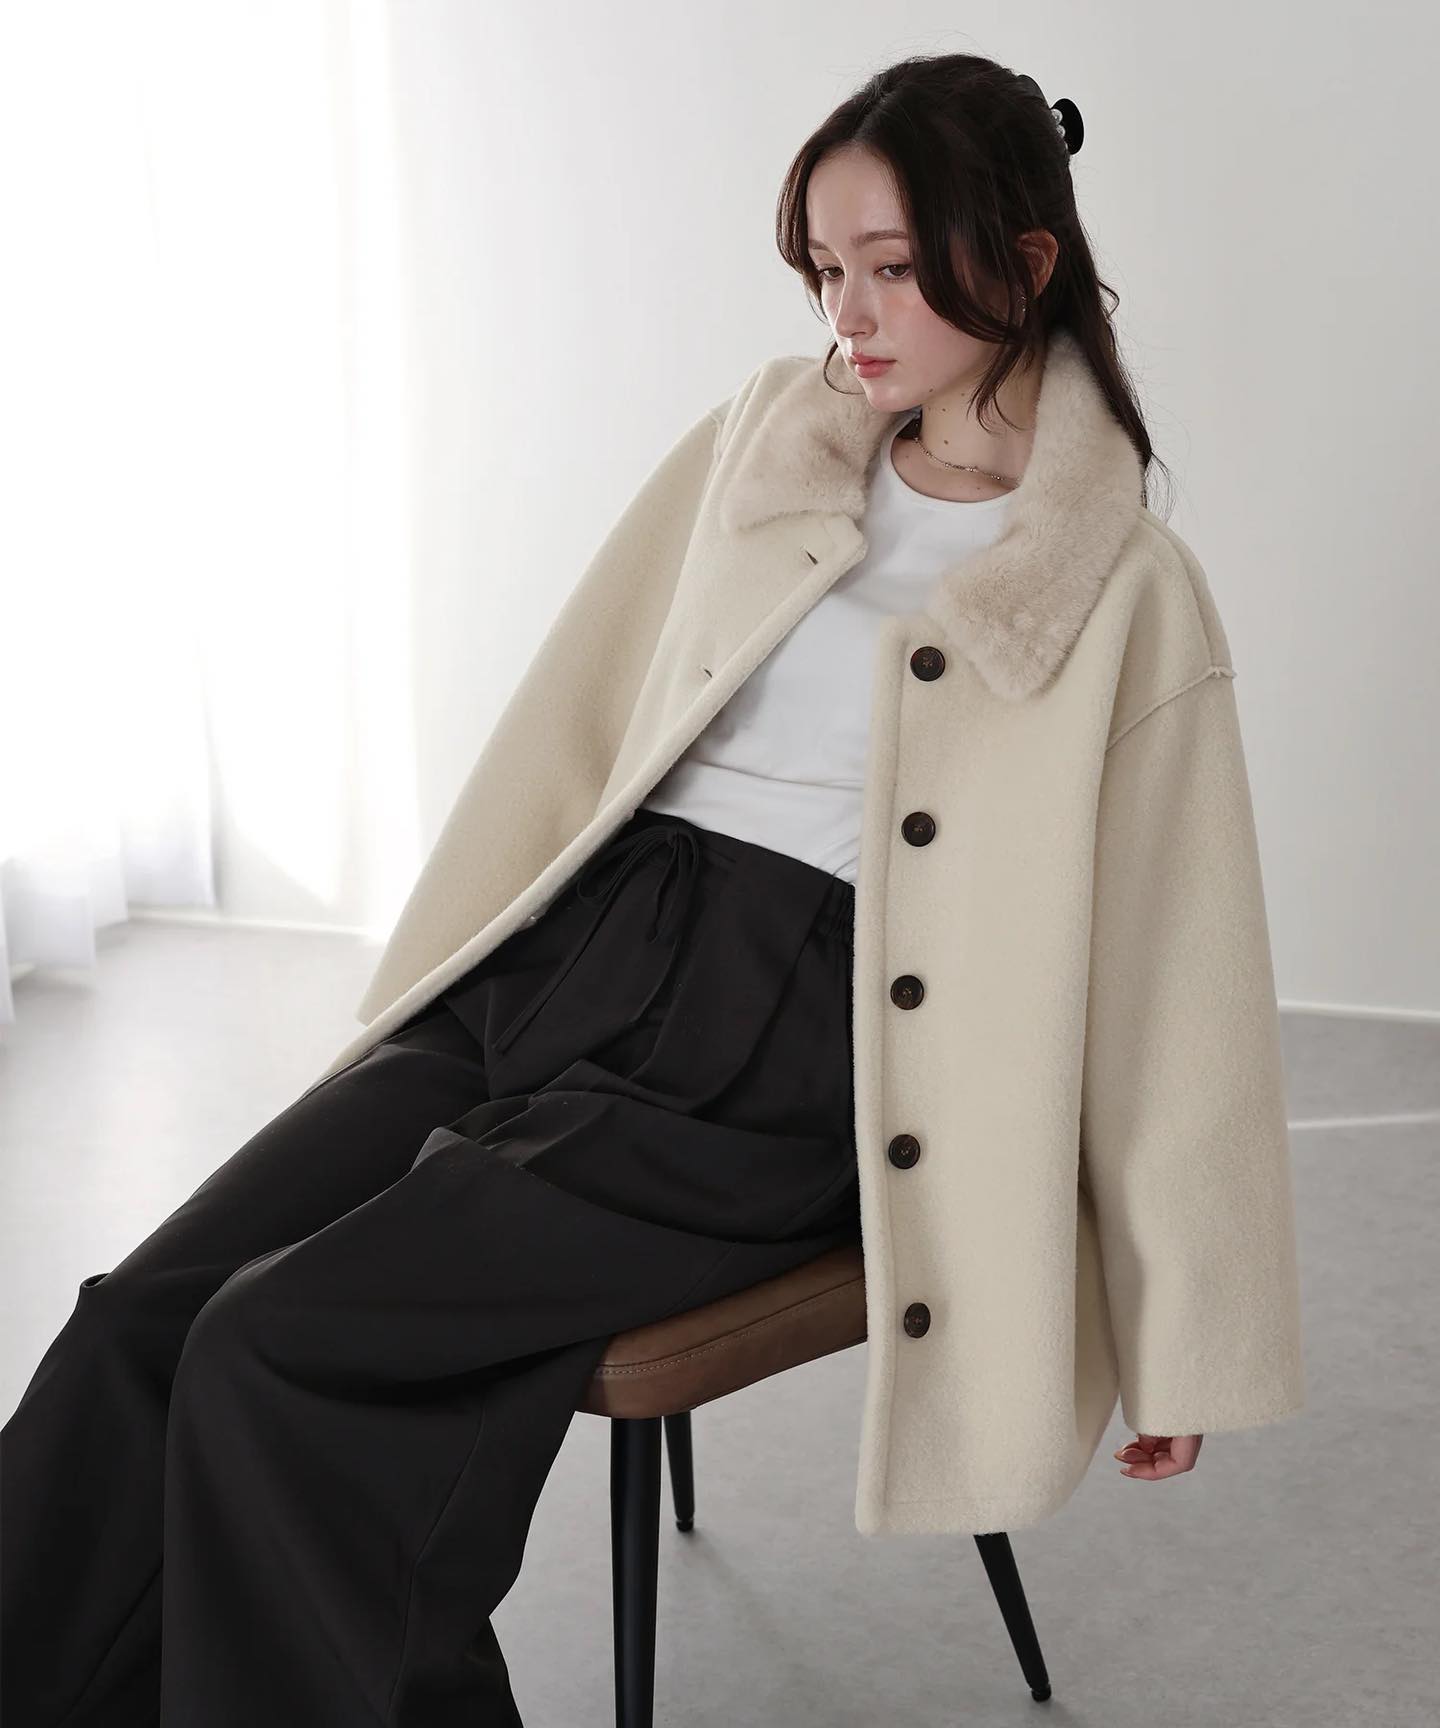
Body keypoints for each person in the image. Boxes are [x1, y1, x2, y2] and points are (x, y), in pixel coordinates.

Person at [1, 49, 1304, 1728]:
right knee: (137, 1324)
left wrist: (1179, 1332)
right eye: (825, 269)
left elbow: (1177, 977)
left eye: (892, 268)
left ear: (1025, 260)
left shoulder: (1121, 588)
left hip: (790, 1053)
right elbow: (591, 701)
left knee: (279, 1349)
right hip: (577, 956)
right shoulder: (769, 443)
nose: (849, 315)